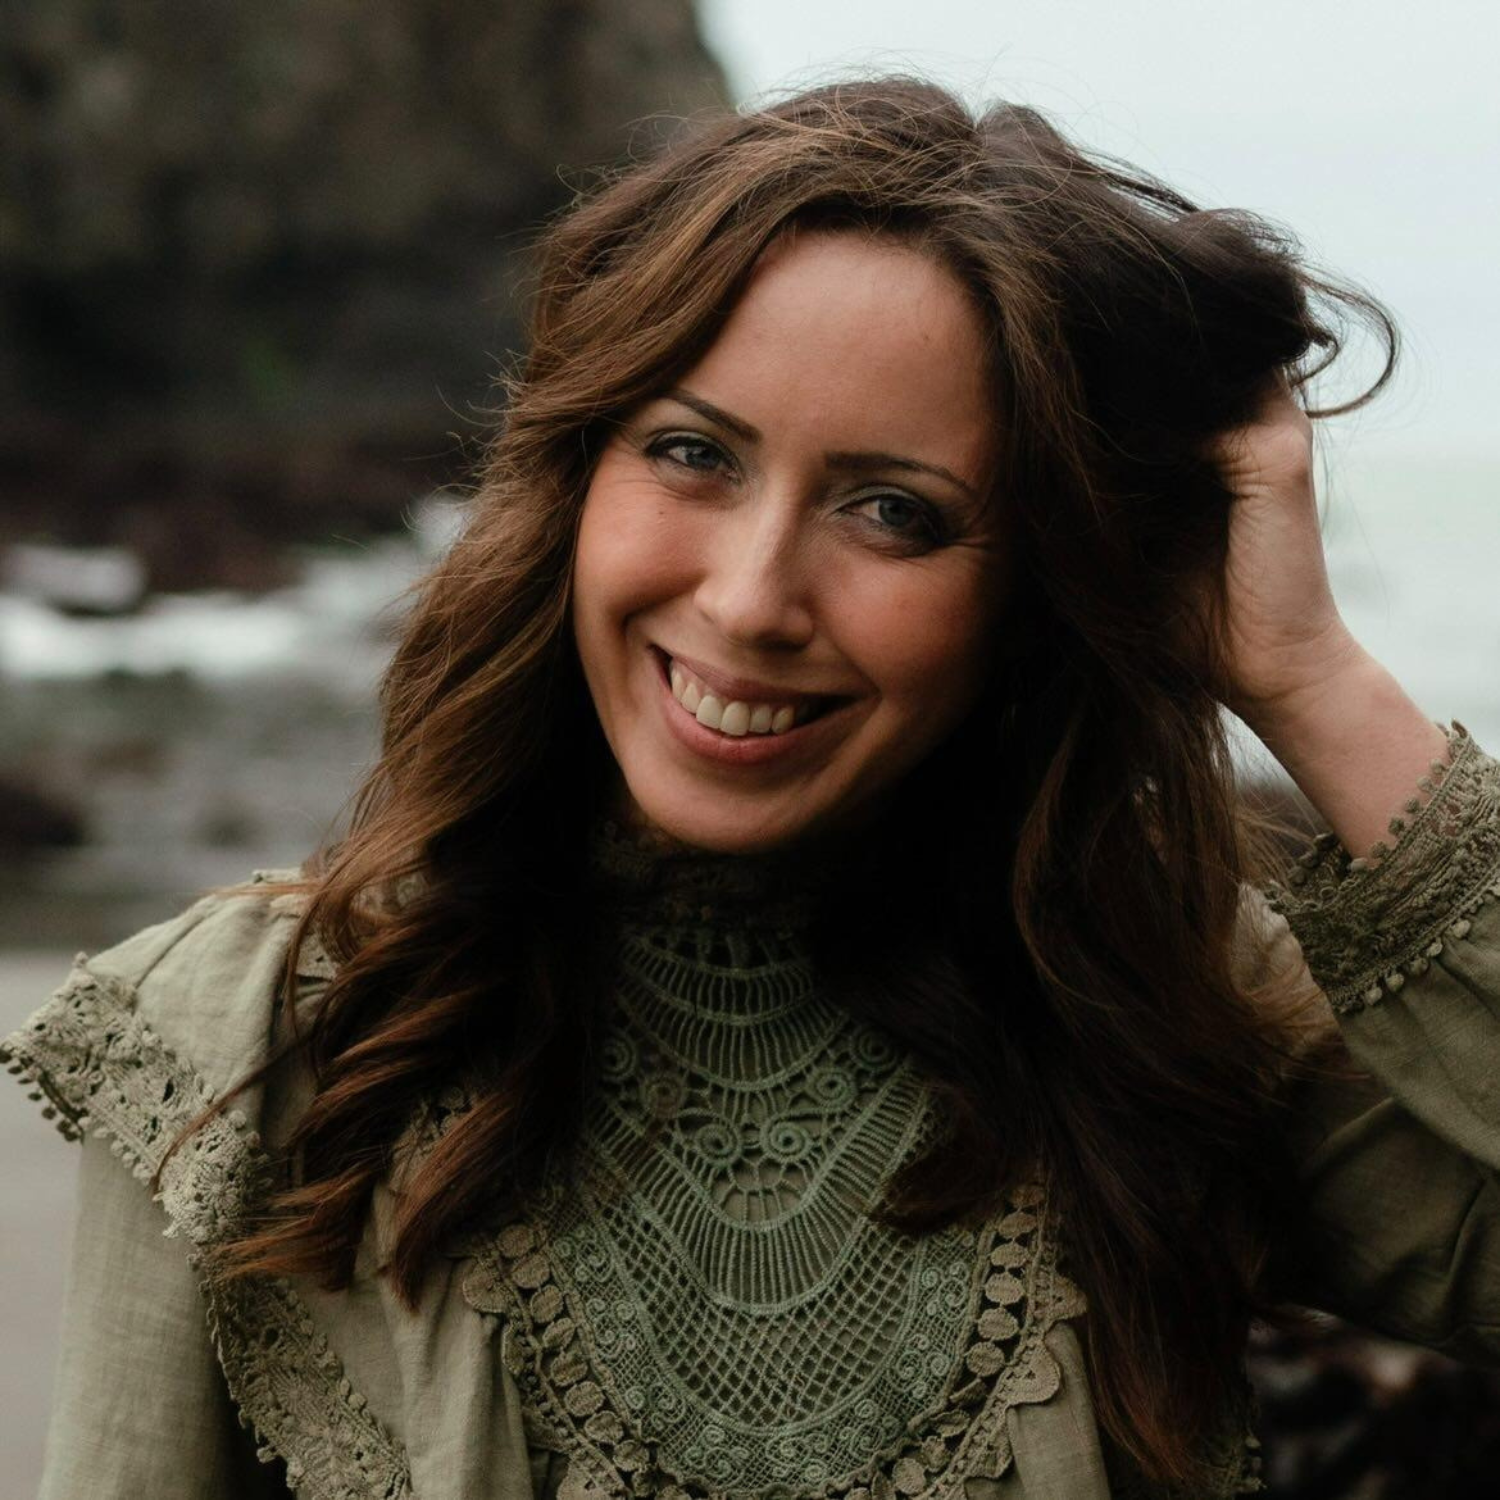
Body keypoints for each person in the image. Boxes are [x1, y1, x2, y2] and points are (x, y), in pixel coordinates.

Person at [5, 78, 1498, 1500]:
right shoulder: (245, 1045)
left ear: (1037, 584)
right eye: (692, 453)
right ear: (576, 479)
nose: (750, 598)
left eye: (893, 511)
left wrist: (1305, 677)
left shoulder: (1169, 1017)